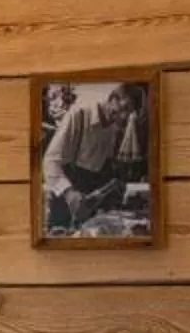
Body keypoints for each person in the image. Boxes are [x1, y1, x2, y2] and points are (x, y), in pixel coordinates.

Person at [42, 84, 141, 232]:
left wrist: (111, 185)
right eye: (124, 108)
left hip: (89, 197)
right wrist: (69, 193)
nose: (125, 117)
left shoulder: (114, 126)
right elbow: (50, 161)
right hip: (66, 194)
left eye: (130, 112)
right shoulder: (79, 114)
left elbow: (102, 163)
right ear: (112, 99)